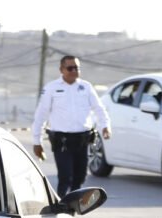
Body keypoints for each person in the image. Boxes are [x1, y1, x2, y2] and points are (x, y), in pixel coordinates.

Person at [32, 55, 111, 196]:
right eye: (70, 68)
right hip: (62, 141)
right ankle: (62, 204)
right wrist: (37, 141)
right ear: (61, 69)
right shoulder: (52, 88)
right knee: (65, 177)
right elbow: (41, 115)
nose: (74, 71)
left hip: (82, 140)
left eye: (77, 68)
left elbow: (99, 108)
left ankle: (74, 206)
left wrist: (105, 125)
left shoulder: (86, 87)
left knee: (80, 178)